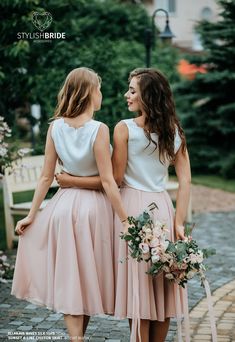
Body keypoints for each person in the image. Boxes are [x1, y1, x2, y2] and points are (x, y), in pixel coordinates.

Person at [55, 68, 191, 342]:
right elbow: (186, 179)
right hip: (162, 208)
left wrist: (70, 179)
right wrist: (178, 221)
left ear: (147, 97)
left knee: (139, 287)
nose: (126, 95)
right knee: (163, 283)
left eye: (132, 90)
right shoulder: (174, 130)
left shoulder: (124, 128)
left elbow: (113, 180)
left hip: (131, 209)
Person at [11, 67, 129, 342]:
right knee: (85, 275)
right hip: (93, 210)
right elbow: (108, 181)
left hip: (62, 208)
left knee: (71, 275)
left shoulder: (55, 127)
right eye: (98, 89)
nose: (101, 94)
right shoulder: (99, 130)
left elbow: (44, 177)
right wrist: (124, 219)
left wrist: (32, 214)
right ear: (89, 92)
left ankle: (77, 338)